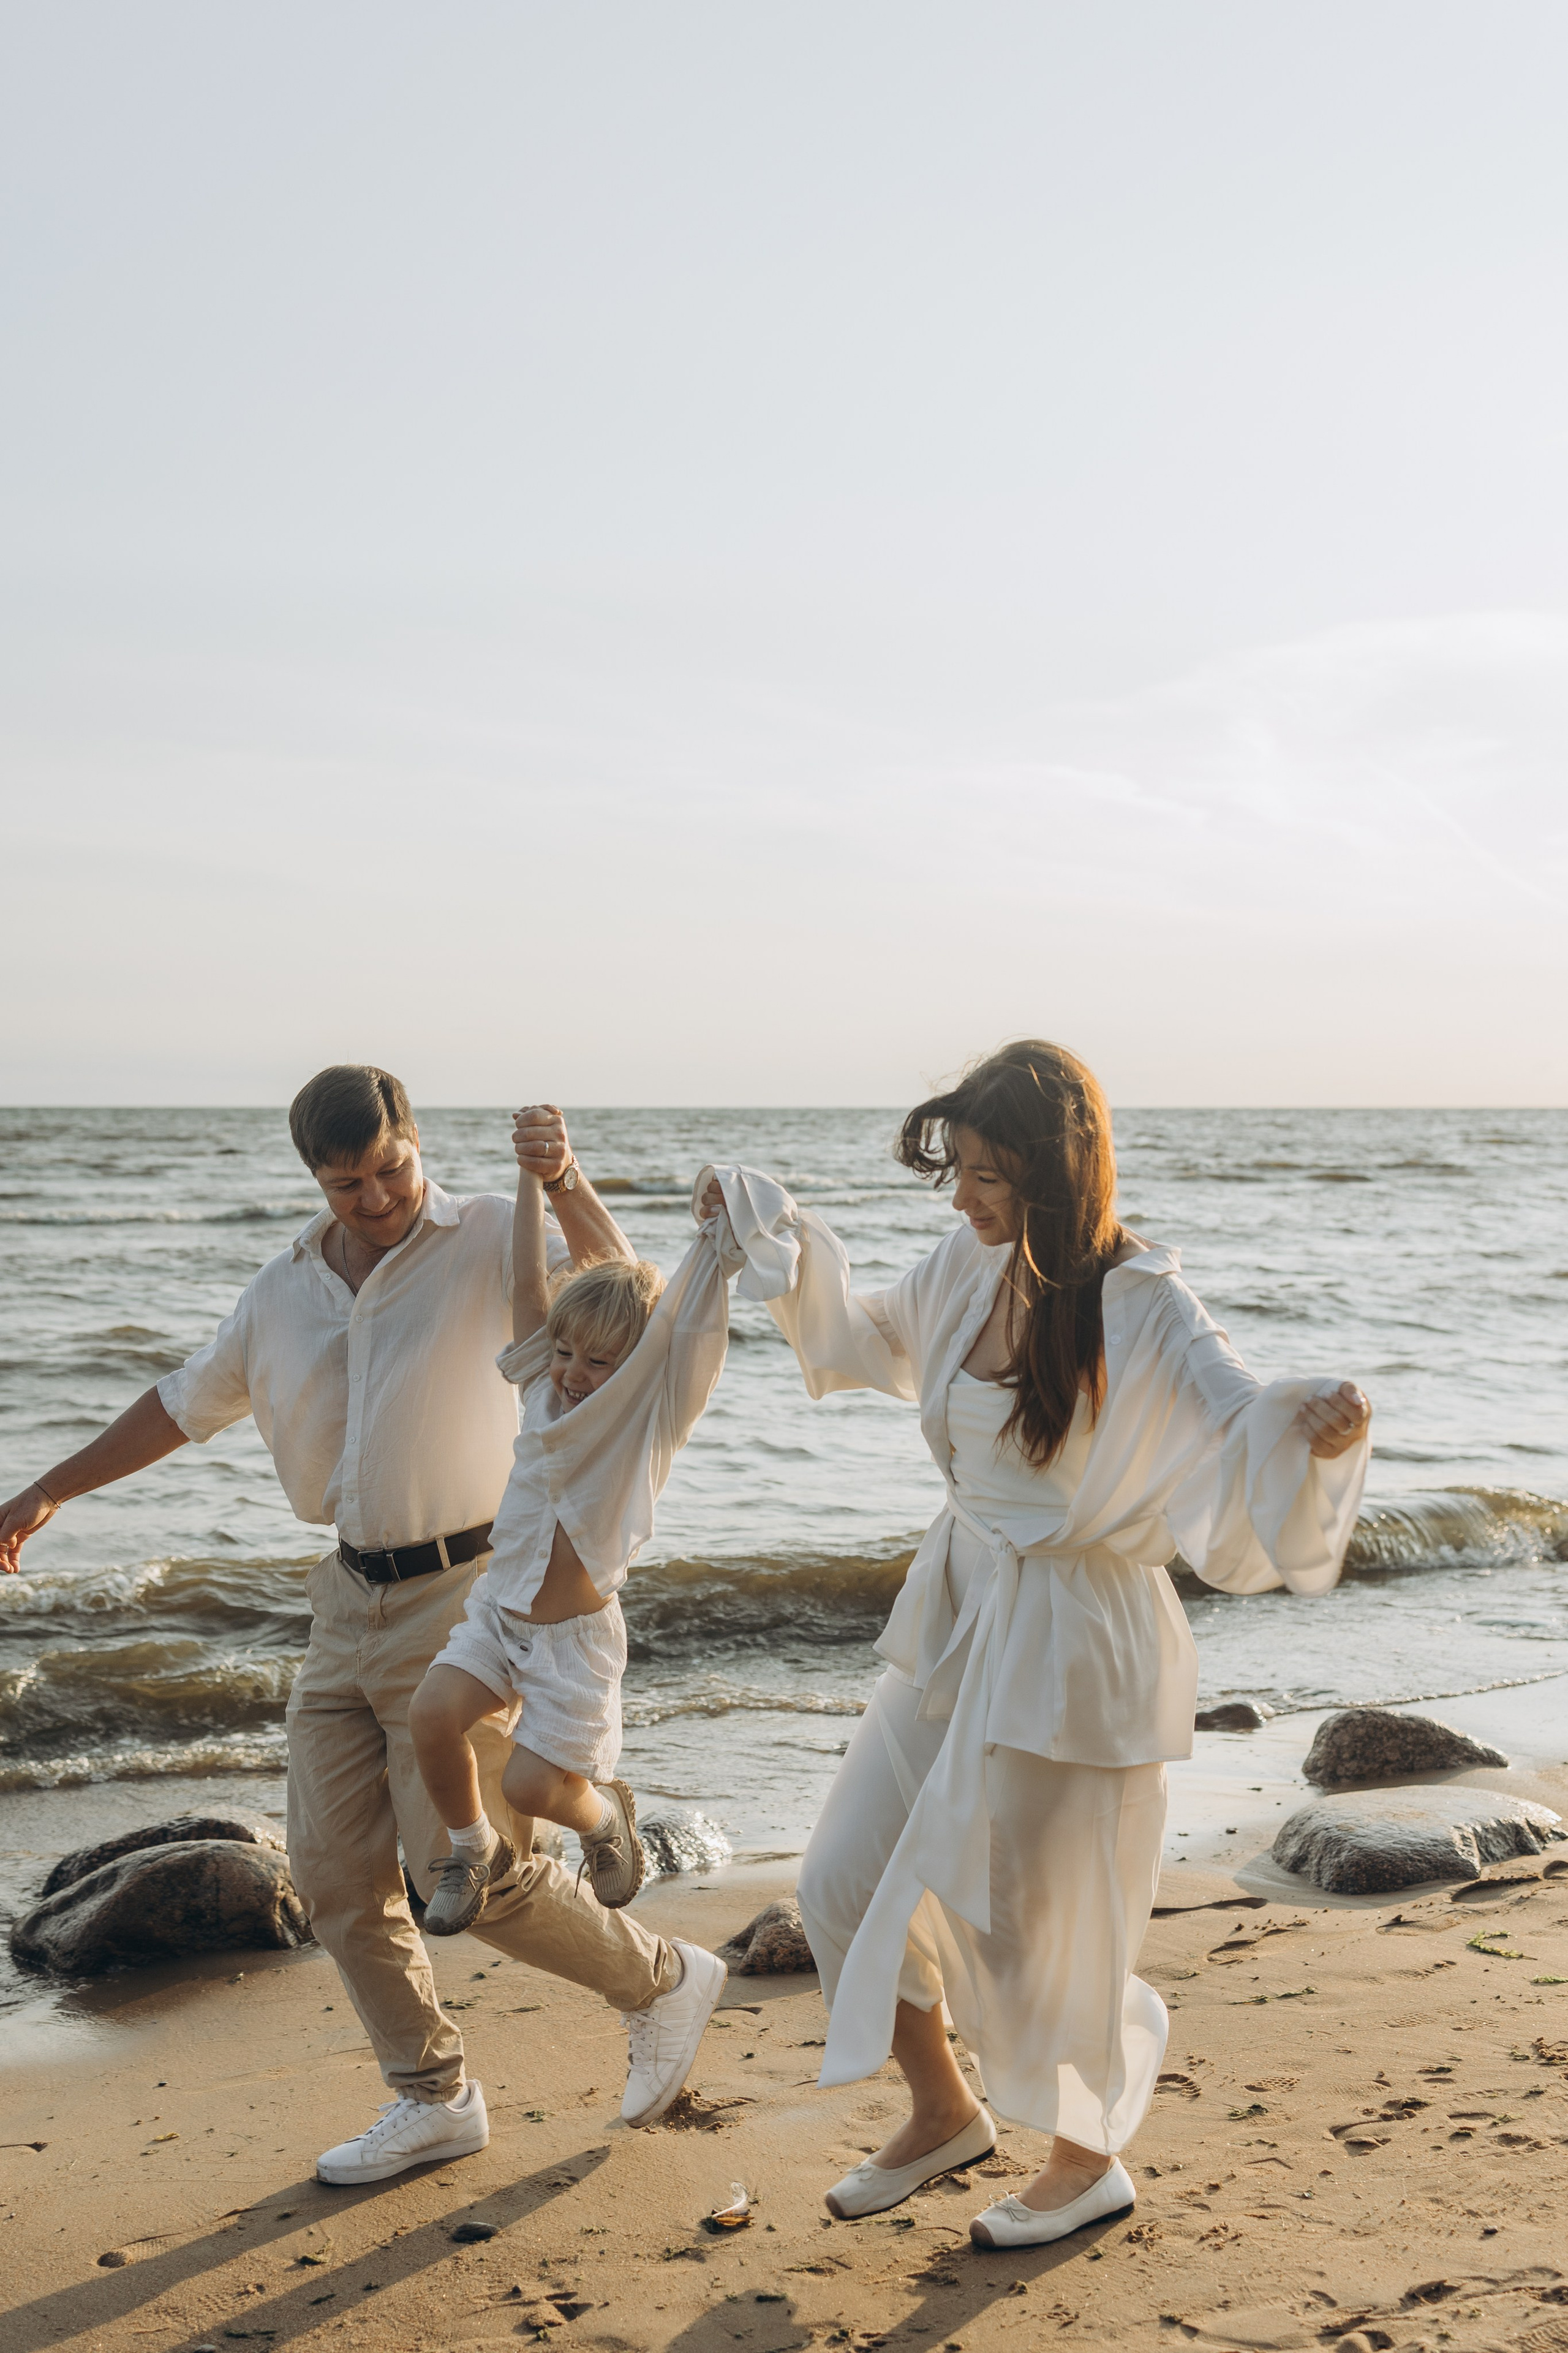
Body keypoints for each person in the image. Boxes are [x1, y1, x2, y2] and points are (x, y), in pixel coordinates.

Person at [0, 1066, 726, 2185]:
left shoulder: (485, 1231)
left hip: (473, 1590)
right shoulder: (282, 1289)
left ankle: (663, 1982)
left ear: (414, 1143)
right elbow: (181, 1403)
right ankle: (434, 2097)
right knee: (337, 1880)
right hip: (342, 1600)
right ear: (317, 1178)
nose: (378, 1198)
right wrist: (52, 1489)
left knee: (468, 1872)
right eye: (350, 1185)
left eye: (392, 1169)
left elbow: (621, 1305)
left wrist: (564, 1174)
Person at [701, 1041, 1371, 2249]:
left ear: (1050, 1170)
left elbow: (1233, 1406)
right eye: (953, 1171)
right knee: (842, 1877)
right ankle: (943, 2110)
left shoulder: (1139, 1300)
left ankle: (1084, 2160)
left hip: (1075, 1638)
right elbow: (859, 1334)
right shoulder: (962, 1268)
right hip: (960, 1612)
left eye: (981, 1175)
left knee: (1050, 1928)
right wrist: (778, 1241)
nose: (958, 1197)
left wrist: (1312, 1423)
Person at [407, 1148, 787, 2124]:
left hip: (573, 1640)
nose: (575, 1373)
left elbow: (687, 1331)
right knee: (432, 1717)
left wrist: (712, 1247)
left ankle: (607, 1818)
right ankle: (465, 1849)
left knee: (537, 1786)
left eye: (598, 1361)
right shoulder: (545, 1385)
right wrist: (536, 1176)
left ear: (635, 1369)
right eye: (569, 1354)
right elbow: (532, 1285)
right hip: (500, 1610)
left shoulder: (644, 1420)